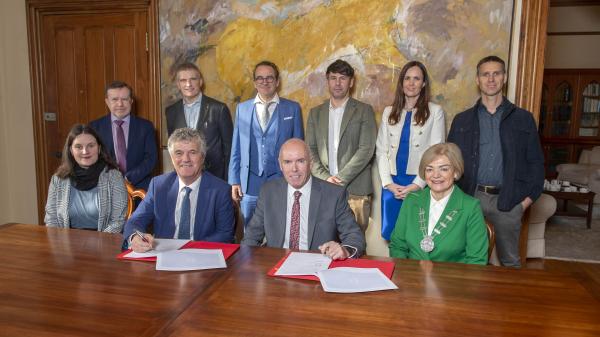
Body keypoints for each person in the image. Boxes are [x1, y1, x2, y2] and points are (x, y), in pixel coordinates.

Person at [447, 55, 544, 268]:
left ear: (504, 78)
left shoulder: (523, 119)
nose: (491, 79)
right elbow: (450, 162)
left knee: (510, 262)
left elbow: (536, 164)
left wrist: (523, 203)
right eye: (485, 74)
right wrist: (456, 199)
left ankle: (510, 302)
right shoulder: (462, 120)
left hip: (508, 200)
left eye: (496, 73)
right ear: (477, 80)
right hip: (471, 198)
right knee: (468, 258)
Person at [242, 139, 365, 260]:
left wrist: (344, 250)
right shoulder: (268, 191)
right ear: (280, 165)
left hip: (317, 265)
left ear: (311, 163)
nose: (294, 169)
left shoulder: (334, 194)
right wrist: (245, 265)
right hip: (276, 263)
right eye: (287, 162)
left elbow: (354, 236)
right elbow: (252, 236)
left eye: (300, 161)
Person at [124, 128, 235, 252]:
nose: (186, 159)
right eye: (178, 153)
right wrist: (134, 237)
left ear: (202, 157)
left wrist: (188, 248)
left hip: (202, 255)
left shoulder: (220, 190)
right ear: (171, 158)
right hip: (164, 256)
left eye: (192, 152)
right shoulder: (158, 186)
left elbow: (225, 234)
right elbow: (136, 220)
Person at [228, 60, 304, 226]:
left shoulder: (292, 109)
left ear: (277, 82)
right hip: (250, 184)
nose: (265, 82)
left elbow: (300, 149)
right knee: (250, 233)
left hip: (281, 181)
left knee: (280, 230)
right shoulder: (243, 108)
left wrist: (298, 180)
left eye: (269, 78)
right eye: (260, 78)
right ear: (255, 82)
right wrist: (234, 180)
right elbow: (237, 147)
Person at [376, 61, 446, 240]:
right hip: (392, 184)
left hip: (419, 183)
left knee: (418, 236)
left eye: (416, 78)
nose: (411, 83)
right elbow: (381, 150)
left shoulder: (435, 112)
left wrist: (417, 185)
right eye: (407, 78)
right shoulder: (388, 112)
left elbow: (436, 154)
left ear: (423, 84)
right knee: (393, 236)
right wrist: (388, 184)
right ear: (401, 82)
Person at [306, 59, 377, 232]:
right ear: (327, 81)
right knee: (325, 242)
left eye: (343, 78)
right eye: (333, 78)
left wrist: (340, 179)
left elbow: (366, 149)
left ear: (351, 82)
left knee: (356, 244)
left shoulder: (364, 110)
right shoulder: (315, 113)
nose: (337, 83)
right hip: (323, 188)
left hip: (356, 191)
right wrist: (326, 179)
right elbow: (310, 150)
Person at [389, 143, 488, 265]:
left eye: (444, 169)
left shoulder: (471, 207)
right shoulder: (411, 201)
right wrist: (407, 275)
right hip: (412, 278)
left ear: (456, 172)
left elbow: (477, 260)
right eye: (429, 169)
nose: (436, 175)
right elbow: (397, 246)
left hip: (452, 281)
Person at [44, 124, 127, 233]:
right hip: (66, 243)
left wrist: (100, 243)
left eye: (91, 146)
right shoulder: (58, 179)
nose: (85, 151)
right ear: (71, 150)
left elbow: (118, 221)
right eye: (78, 147)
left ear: (99, 148)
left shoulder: (114, 177)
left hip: (104, 242)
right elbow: (51, 219)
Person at [166, 62, 233, 180]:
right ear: (178, 84)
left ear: (200, 82)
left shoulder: (219, 109)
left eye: (193, 79)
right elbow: (173, 147)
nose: (188, 84)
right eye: (183, 80)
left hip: (215, 177)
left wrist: (229, 181)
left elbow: (229, 149)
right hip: (185, 178)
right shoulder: (171, 112)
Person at [90, 81, 158, 190]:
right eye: (115, 99)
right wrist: (112, 179)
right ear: (107, 102)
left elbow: (151, 159)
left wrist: (128, 178)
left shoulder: (146, 127)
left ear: (131, 101)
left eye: (125, 99)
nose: (120, 104)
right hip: (106, 188)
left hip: (139, 188)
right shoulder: (94, 127)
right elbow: (93, 158)